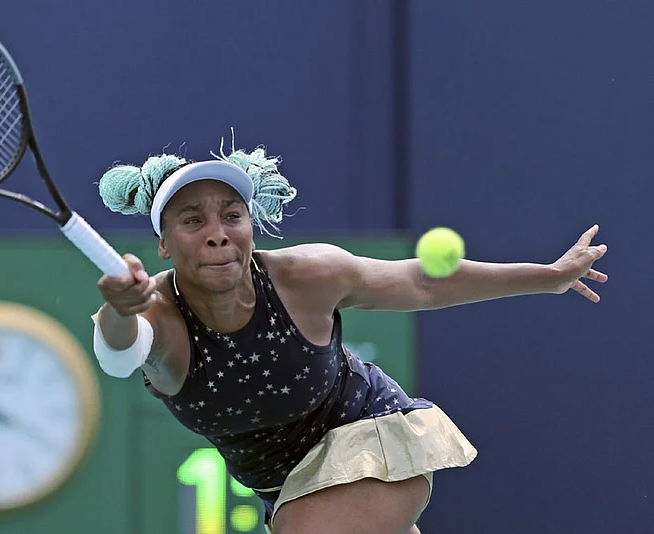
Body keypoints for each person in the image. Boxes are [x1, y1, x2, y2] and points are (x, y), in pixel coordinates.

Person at [90, 137, 608, 534]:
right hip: (286, 488)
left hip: (371, 437)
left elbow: (423, 282)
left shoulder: (306, 275)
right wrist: (120, 310)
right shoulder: (157, 313)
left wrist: (547, 276)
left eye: (232, 216)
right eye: (192, 221)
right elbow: (118, 352)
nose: (218, 234)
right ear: (164, 243)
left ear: (250, 225)